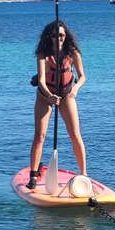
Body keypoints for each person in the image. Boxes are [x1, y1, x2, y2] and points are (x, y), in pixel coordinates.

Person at [27, 20, 87, 189]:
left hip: (67, 93)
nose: (58, 38)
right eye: (55, 36)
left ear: (65, 36)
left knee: (75, 135)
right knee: (40, 136)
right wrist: (49, 96)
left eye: (61, 35)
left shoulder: (72, 52)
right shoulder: (43, 54)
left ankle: (84, 174)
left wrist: (75, 89)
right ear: (50, 37)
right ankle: (33, 174)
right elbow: (41, 80)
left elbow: (82, 76)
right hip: (45, 94)